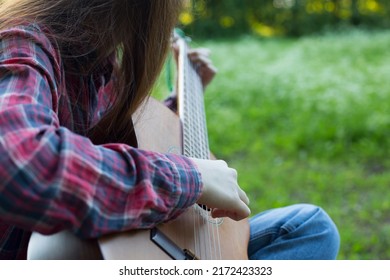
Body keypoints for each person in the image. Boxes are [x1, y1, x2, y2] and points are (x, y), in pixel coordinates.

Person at [0, 0, 340, 260]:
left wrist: (181, 102)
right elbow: (20, 160)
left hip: (103, 245)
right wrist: (191, 177)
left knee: (309, 226)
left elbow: (112, 141)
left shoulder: (99, 63)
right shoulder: (23, 42)